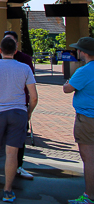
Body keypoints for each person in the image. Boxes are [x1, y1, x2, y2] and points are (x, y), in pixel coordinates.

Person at [0, 36, 38, 202]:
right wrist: (28, 112)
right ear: (15, 51)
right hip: (18, 111)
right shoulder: (25, 68)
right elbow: (33, 97)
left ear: (0, 51)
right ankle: (8, 190)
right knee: (12, 153)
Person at [63, 37, 94, 204]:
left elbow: (67, 88)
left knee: (89, 158)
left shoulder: (84, 71)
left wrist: (68, 82)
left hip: (87, 118)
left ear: (84, 52)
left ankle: (89, 196)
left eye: (79, 50)